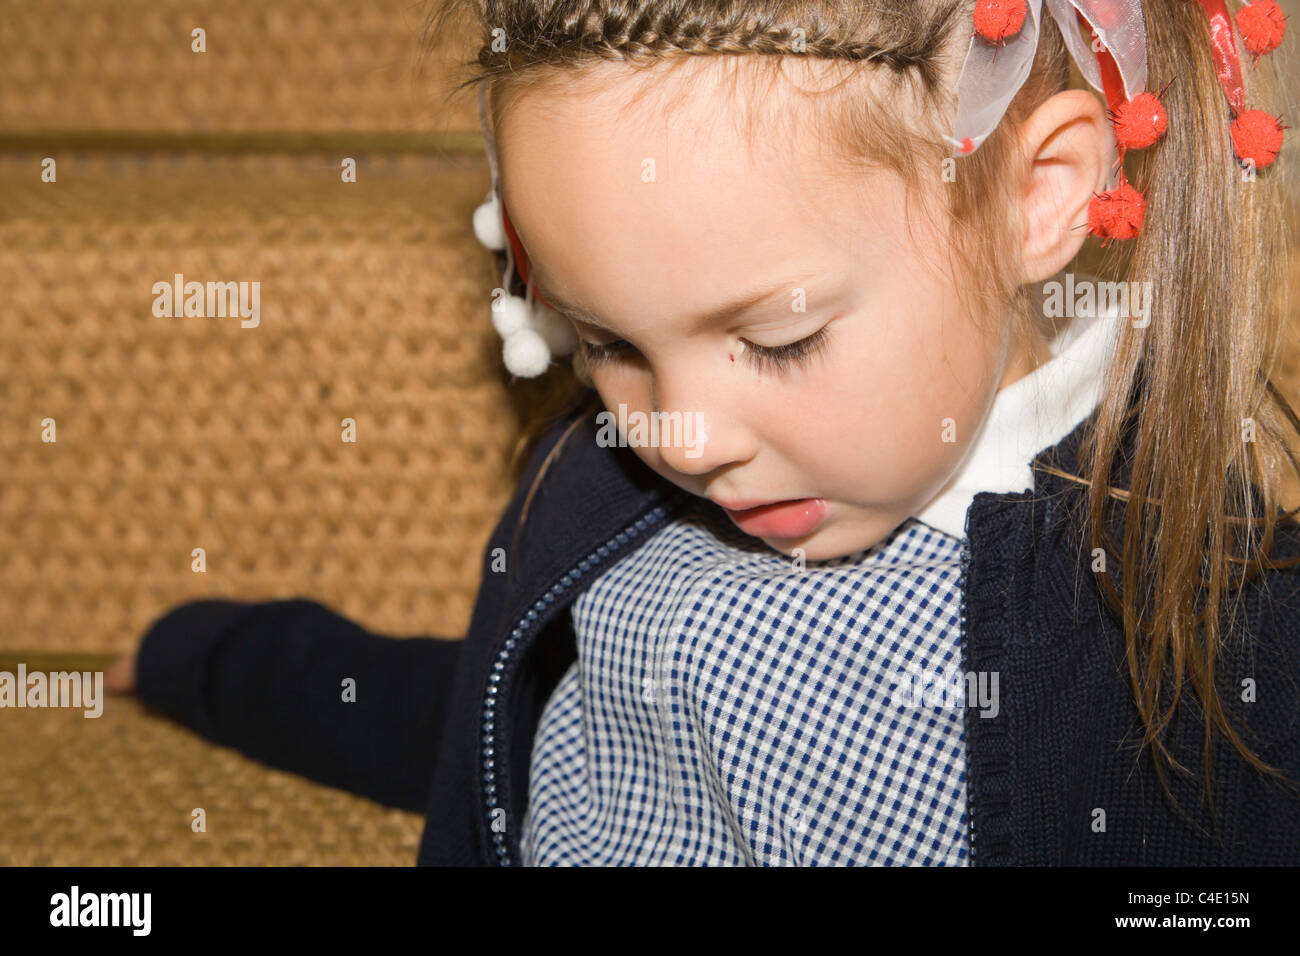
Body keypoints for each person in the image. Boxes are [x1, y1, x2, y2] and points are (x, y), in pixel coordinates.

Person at [107, 0, 1300, 864]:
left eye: (778, 341)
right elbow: (509, 723)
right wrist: (216, 664)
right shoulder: (599, 493)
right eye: (606, 344)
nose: (676, 433)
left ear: (1042, 194)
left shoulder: (1209, 634)